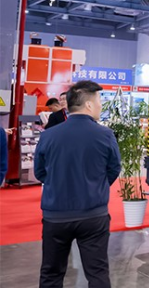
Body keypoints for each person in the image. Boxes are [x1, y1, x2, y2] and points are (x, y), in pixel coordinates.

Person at [34, 81, 121, 288]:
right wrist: (95, 186)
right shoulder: (105, 135)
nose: (100, 105)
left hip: (56, 215)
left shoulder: (48, 135)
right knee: (98, 273)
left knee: (51, 273)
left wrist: (59, 183)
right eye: (99, 100)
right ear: (88, 105)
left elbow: (40, 172)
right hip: (93, 215)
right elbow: (113, 169)